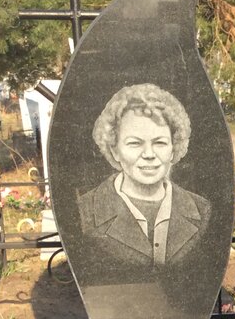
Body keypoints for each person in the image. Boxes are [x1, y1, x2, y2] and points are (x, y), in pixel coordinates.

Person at [78, 83, 209, 268]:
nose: (149, 154)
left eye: (160, 143)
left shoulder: (202, 210)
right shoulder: (86, 210)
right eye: (135, 143)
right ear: (115, 150)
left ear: (174, 147)